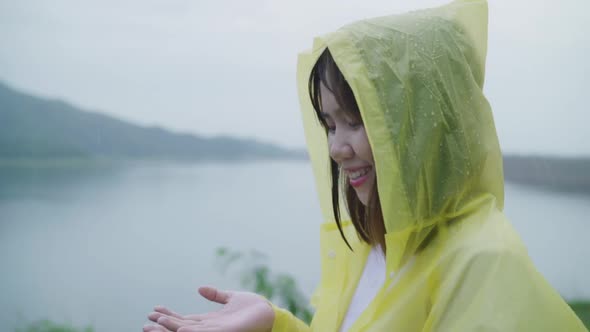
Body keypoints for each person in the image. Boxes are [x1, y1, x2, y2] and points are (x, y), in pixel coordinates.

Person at [143, 0, 588, 331]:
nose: (336, 149)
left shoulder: (483, 265)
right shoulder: (376, 243)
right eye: (329, 125)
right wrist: (274, 325)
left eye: (355, 122)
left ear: (419, 127)